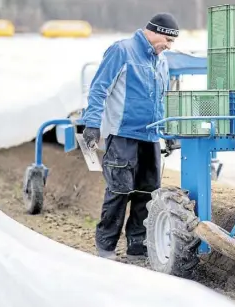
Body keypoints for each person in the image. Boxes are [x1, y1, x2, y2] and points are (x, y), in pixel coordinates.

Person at [81, 13, 179, 260]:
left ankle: (138, 246)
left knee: (147, 192)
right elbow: (98, 89)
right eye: (167, 40)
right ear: (154, 31)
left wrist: (168, 131)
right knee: (119, 190)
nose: (168, 47)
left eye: (171, 43)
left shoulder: (161, 60)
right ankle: (105, 247)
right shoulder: (121, 51)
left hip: (150, 136)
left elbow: (162, 99)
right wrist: (92, 124)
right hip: (123, 134)